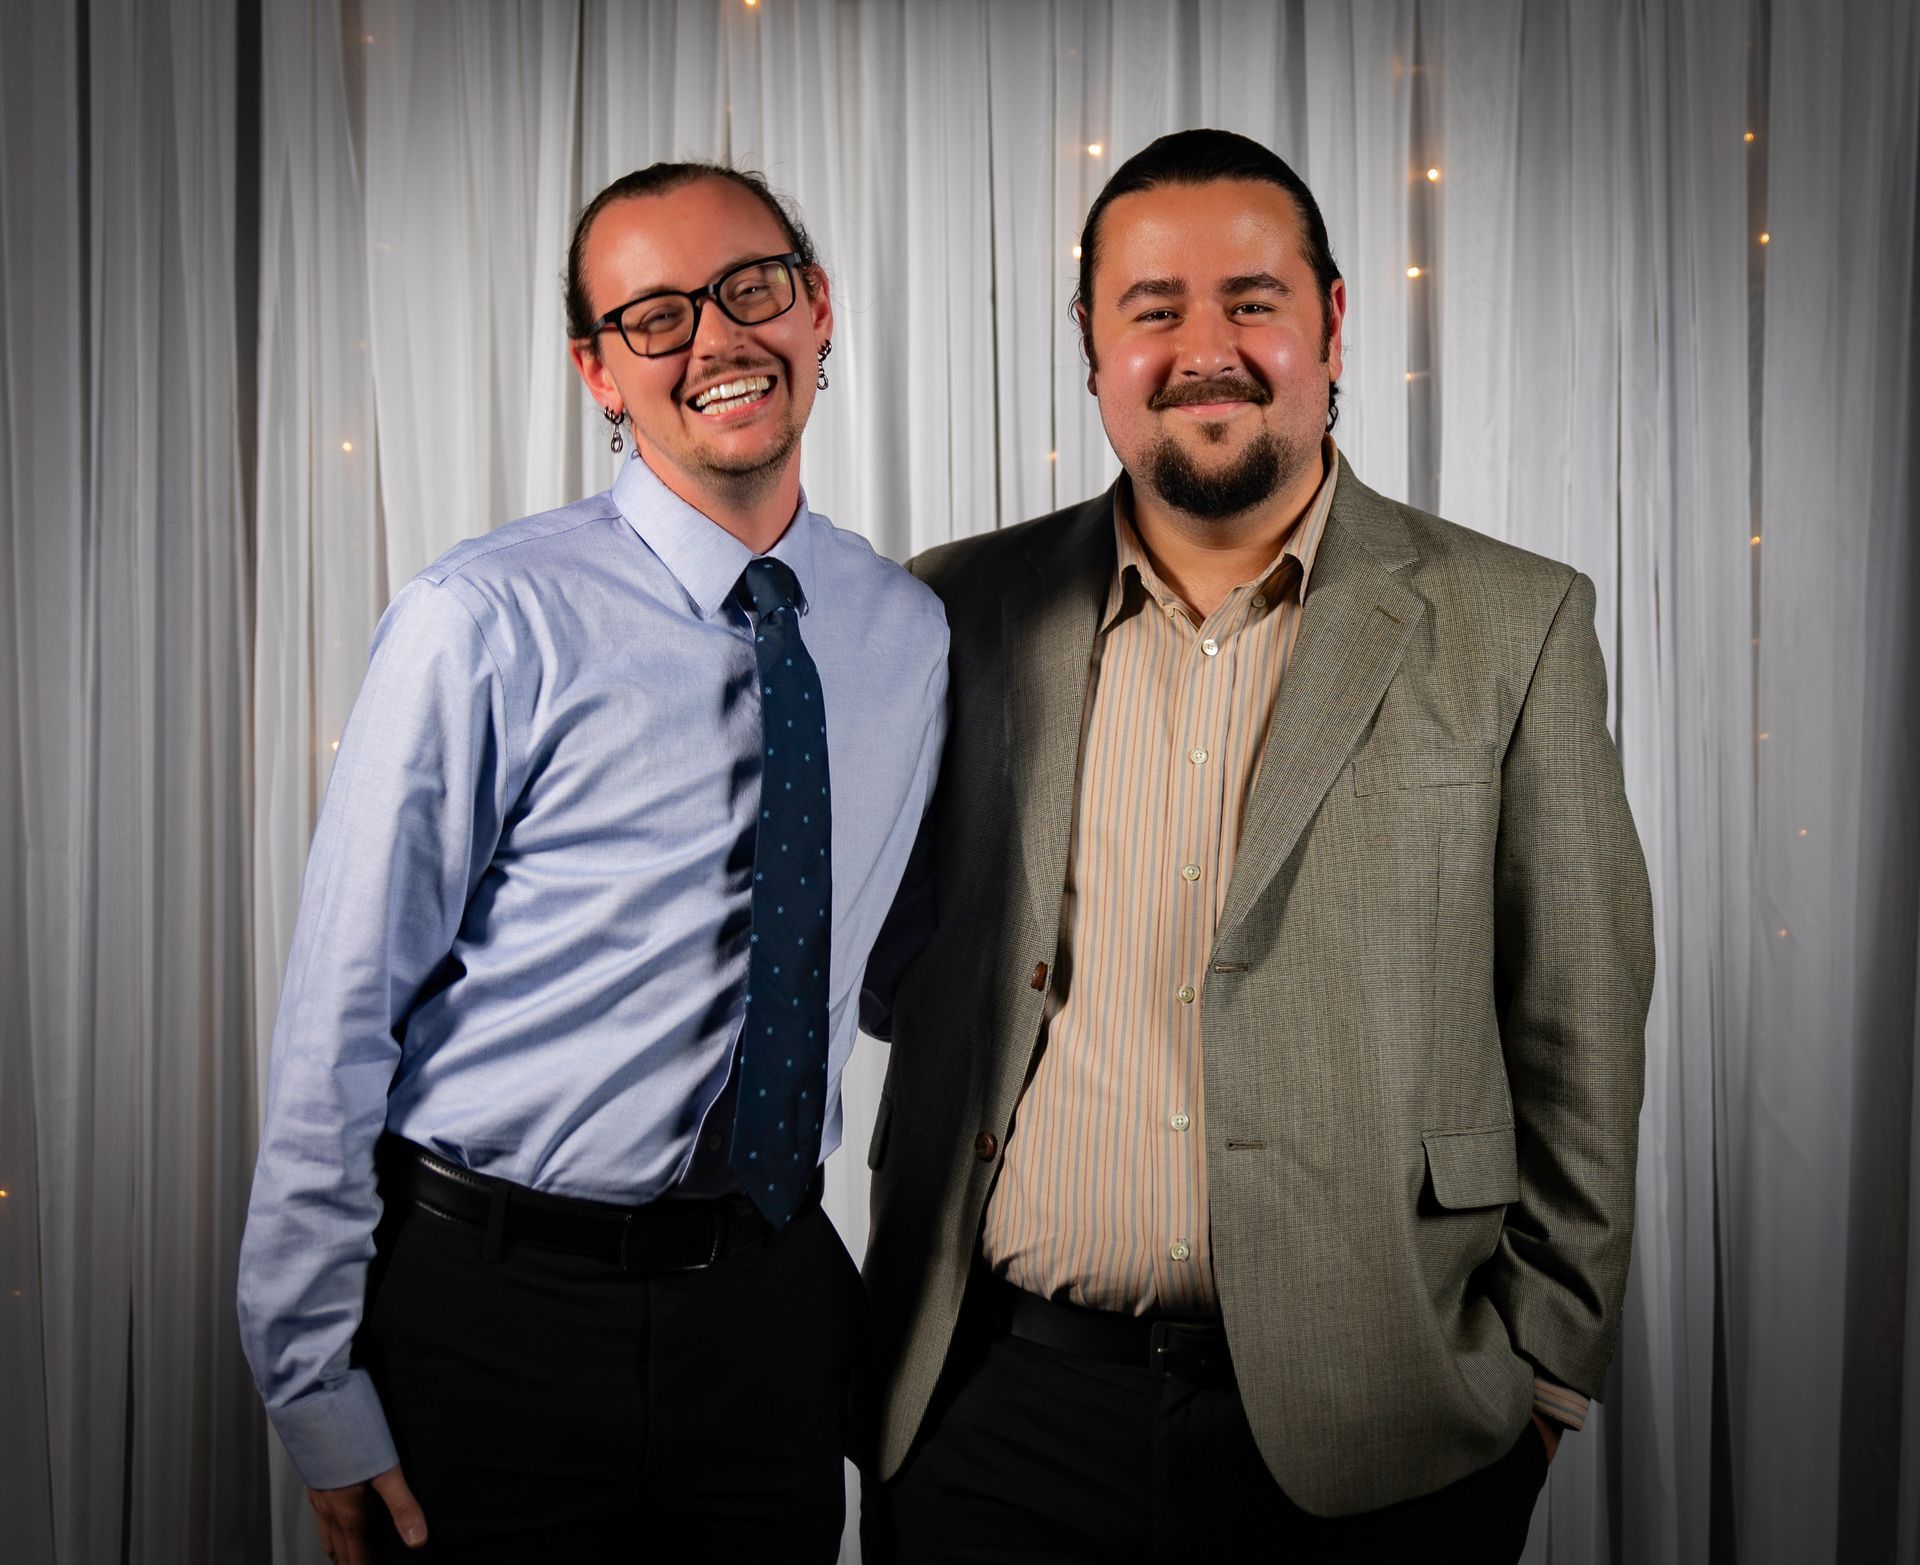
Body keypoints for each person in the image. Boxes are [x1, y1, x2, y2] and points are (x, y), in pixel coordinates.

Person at [859, 128, 1653, 1563]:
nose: (1202, 347)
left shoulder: (1511, 622)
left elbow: (1580, 1024)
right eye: (1152, 308)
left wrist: (1545, 1369)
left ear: (1333, 323)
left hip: (1382, 1429)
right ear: (1094, 348)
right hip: (994, 1414)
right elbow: (874, 948)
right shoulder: (954, 610)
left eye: (1252, 300)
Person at [237, 162, 946, 1564]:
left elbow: (900, 973)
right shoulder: (480, 619)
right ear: (597, 373)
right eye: (656, 316)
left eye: (752, 288)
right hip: (490, 1316)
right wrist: (315, 1382)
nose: (719, 341)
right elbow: (339, 1019)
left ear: (818, 309)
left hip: (770, 1315)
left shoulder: (906, 631)